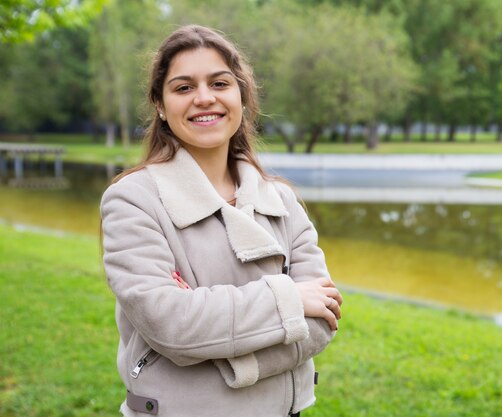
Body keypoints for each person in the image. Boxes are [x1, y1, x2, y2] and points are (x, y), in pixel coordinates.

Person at [100, 25, 343, 417]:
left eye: (219, 83)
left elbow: (322, 321)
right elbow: (171, 325)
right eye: (183, 87)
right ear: (160, 105)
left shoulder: (280, 198)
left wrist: (229, 355)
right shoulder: (133, 200)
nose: (204, 98)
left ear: (241, 97)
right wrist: (289, 300)